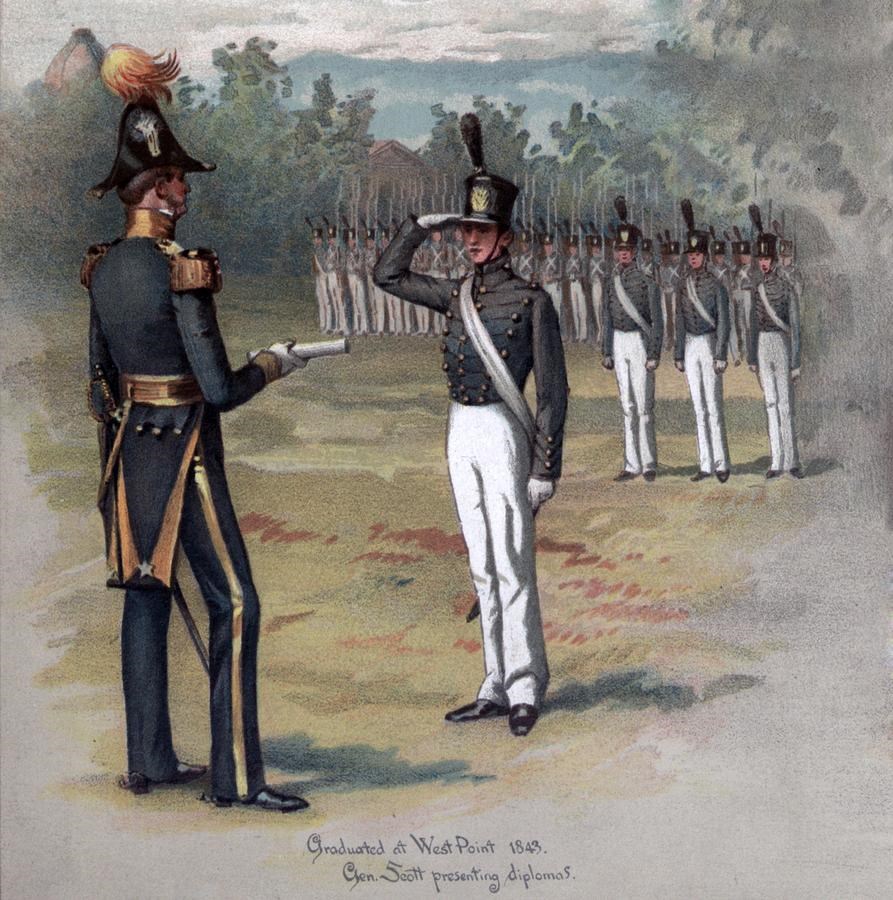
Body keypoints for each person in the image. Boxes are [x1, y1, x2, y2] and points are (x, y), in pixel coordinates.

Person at [83, 44, 310, 812]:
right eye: (177, 178)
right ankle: (236, 780)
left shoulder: (103, 267)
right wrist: (274, 364)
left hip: (129, 453)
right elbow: (218, 389)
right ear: (159, 189)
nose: (185, 190)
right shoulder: (184, 269)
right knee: (236, 603)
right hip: (185, 450)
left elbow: (97, 384)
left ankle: (147, 763)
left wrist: (120, 442)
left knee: (146, 597)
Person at [373, 113, 568, 738]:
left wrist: (545, 468)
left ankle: (526, 684)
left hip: (505, 433)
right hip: (461, 429)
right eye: (465, 228)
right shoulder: (455, 293)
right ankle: (492, 680)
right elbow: (387, 276)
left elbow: (554, 393)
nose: (470, 239)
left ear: (505, 237)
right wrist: (417, 227)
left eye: (481, 230)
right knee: (481, 564)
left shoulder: (531, 301)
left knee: (512, 562)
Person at [601, 197, 663, 482]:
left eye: (628, 250)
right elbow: (607, 318)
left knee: (644, 407)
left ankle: (649, 463)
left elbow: (657, 321)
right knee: (627, 407)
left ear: (636, 251)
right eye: (620, 249)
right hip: (619, 341)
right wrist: (606, 350)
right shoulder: (610, 282)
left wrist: (653, 353)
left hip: (639, 342)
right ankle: (631, 464)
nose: (623, 254)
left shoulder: (646, 282)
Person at [675, 201, 732, 482]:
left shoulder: (716, 285)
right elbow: (680, 321)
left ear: (705, 256)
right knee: (698, 408)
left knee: (713, 406)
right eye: (690, 254)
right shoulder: (683, 285)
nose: (693, 258)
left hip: (709, 344)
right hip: (691, 346)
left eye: (697, 254)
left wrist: (721, 353)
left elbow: (724, 322)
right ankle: (705, 464)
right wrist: (677, 353)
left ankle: (721, 464)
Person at [746, 205, 803, 479]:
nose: (764, 263)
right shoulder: (757, 290)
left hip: (781, 343)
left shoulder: (786, 288)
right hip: (763, 345)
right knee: (770, 403)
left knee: (785, 405)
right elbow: (753, 325)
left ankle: (791, 461)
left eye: (768, 258)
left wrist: (796, 362)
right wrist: (752, 358)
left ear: (775, 260)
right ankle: (776, 461)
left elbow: (795, 326)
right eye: (761, 258)